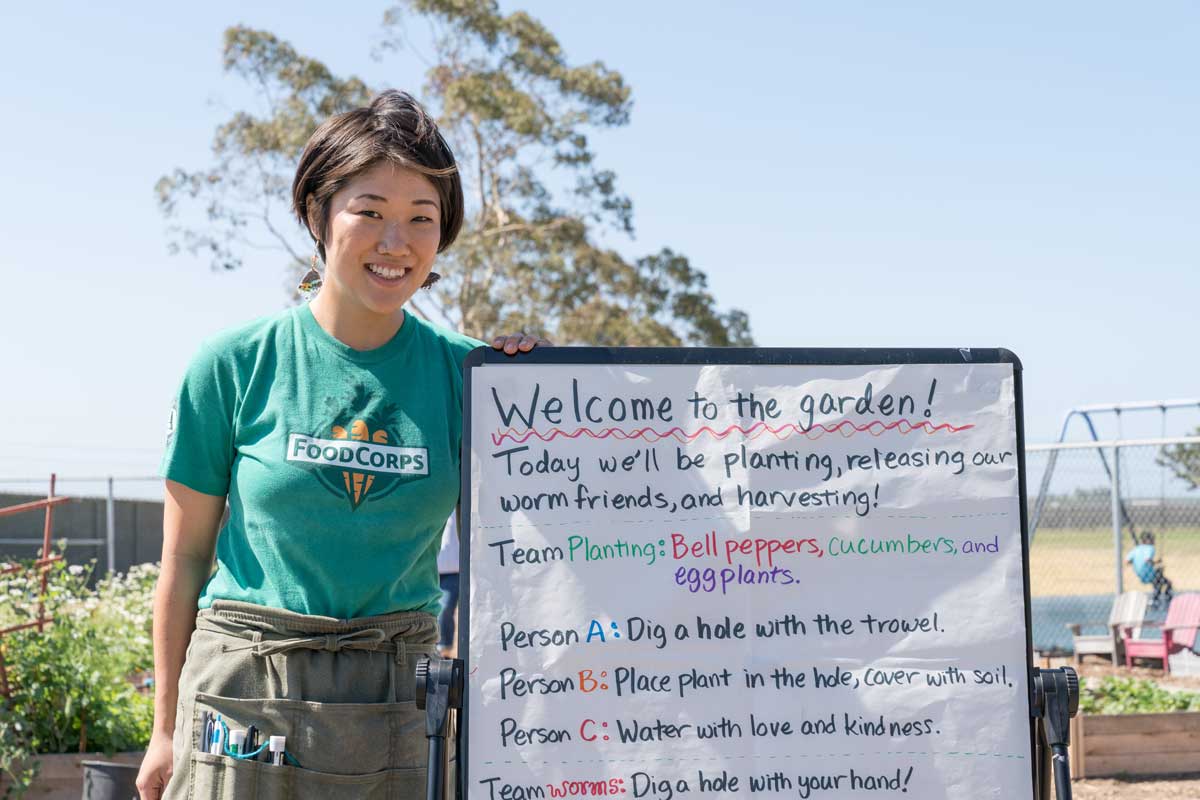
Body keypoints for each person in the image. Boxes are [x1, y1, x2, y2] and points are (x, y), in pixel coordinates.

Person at [136, 90, 546, 800]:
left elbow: (531, 555)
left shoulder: (470, 377)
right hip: (244, 693)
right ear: (317, 215)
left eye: (422, 219)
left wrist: (541, 383)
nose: (397, 243)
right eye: (370, 212)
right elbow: (184, 559)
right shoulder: (233, 363)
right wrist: (164, 729)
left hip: (398, 701)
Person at [436, 511, 460, 657]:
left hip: (454, 569)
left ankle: (443, 649)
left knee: (445, 609)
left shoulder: (461, 506)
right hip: (431, 569)